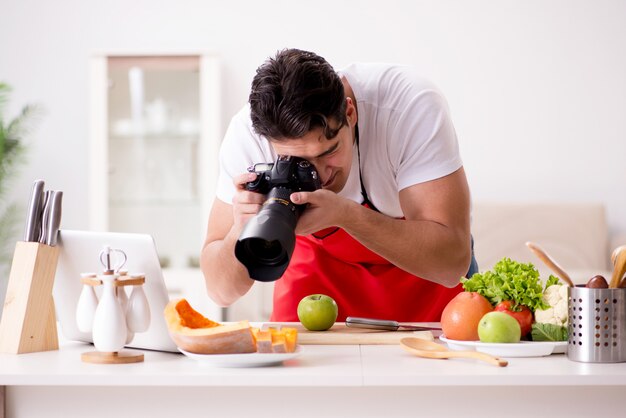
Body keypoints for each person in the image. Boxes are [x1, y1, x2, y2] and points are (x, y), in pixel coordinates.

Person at [200, 48, 477, 322]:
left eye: (328, 152)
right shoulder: (248, 135)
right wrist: (241, 227)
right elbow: (220, 292)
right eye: (294, 160)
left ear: (350, 112)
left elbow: (451, 265)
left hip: (423, 283)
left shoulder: (409, 107)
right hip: (316, 281)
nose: (319, 176)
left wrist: (345, 214)